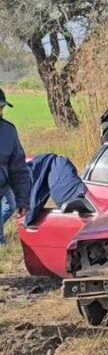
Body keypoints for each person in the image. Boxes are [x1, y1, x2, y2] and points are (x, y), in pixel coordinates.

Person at [0, 89, 30, 243]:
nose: (0, 112)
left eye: (1, 108)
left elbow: (18, 169)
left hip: (2, 186)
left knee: (10, 206)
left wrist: (23, 200)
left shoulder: (8, 131)